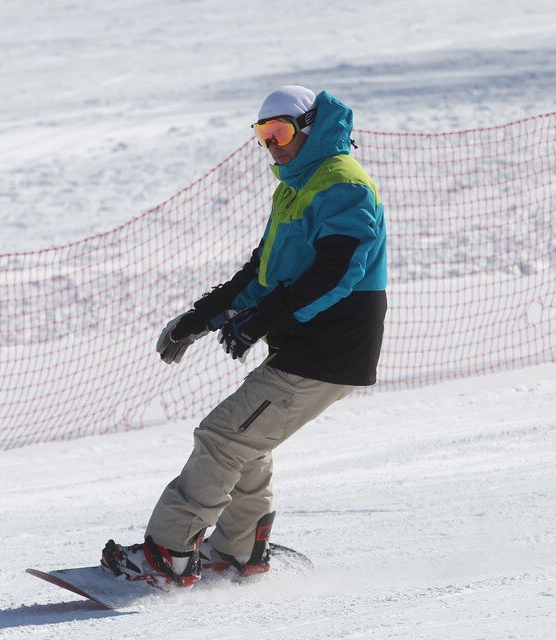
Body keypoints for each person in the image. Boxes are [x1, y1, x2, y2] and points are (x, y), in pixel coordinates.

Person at [101, 85, 387, 587]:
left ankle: (167, 556)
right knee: (245, 443)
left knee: (222, 438)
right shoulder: (296, 187)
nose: (272, 145)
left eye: (279, 131)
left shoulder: (342, 182)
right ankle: (237, 553)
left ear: (310, 127)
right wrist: (197, 320)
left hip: (328, 350)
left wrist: (263, 320)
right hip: (307, 348)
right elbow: (260, 273)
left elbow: (338, 272)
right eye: (262, 134)